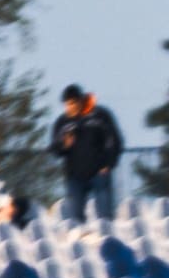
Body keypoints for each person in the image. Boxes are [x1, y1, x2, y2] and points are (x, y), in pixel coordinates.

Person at [50, 87, 121, 219]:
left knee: (105, 216)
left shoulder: (100, 116)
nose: (70, 107)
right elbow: (55, 149)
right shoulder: (63, 122)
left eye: (73, 103)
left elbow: (114, 141)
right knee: (75, 218)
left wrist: (109, 164)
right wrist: (64, 145)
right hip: (75, 177)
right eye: (67, 104)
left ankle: (106, 230)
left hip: (99, 173)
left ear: (81, 100)